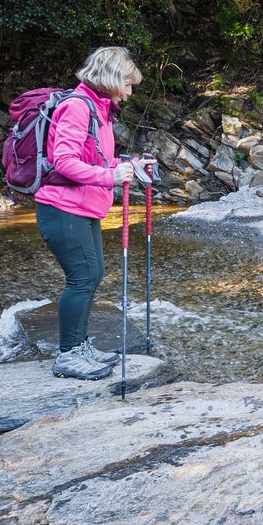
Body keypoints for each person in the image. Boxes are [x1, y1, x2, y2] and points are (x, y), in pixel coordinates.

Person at [35, 46, 154, 380]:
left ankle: (79, 346)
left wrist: (127, 164)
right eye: (128, 84)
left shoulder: (98, 109)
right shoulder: (77, 106)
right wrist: (110, 177)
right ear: (113, 78)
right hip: (62, 208)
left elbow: (97, 159)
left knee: (92, 275)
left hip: (82, 208)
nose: (130, 92)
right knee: (83, 278)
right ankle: (68, 356)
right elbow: (64, 162)